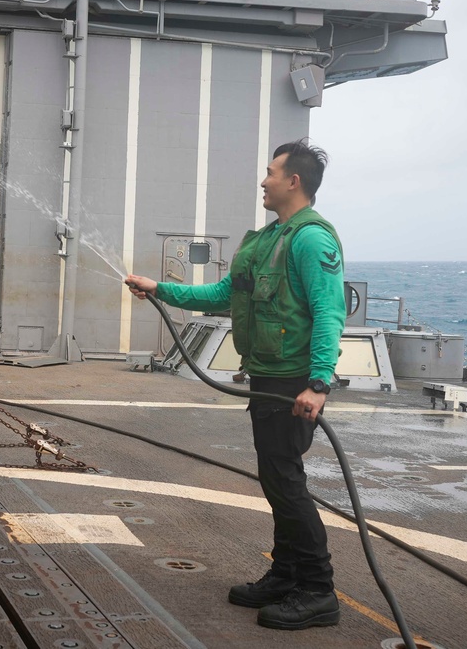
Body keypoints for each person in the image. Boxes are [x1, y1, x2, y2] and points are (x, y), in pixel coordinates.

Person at [126, 139, 346, 631]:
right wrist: (159, 287)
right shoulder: (268, 239)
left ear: (294, 181)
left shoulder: (311, 240)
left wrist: (318, 383)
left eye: (270, 172)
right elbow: (223, 294)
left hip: (292, 381)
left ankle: (317, 590)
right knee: (277, 478)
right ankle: (287, 575)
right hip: (268, 375)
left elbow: (330, 311)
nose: (263, 181)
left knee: (285, 482)